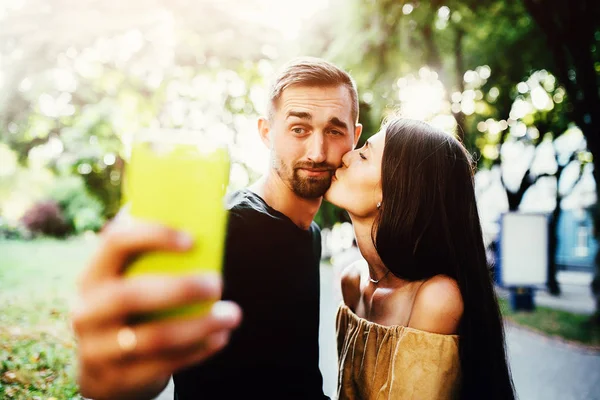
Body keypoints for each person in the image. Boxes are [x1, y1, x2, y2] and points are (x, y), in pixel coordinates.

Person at [71, 57, 362, 400]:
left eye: (334, 130)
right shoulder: (227, 229)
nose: (317, 152)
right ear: (266, 132)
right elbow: (146, 362)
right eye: (299, 129)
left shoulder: (309, 234)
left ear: (354, 137)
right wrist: (114, 372)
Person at [325, 118, 515, 400]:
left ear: (394, 192)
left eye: (363, 154)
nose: (347, 155)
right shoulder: (352, 281)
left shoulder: (436, 297)